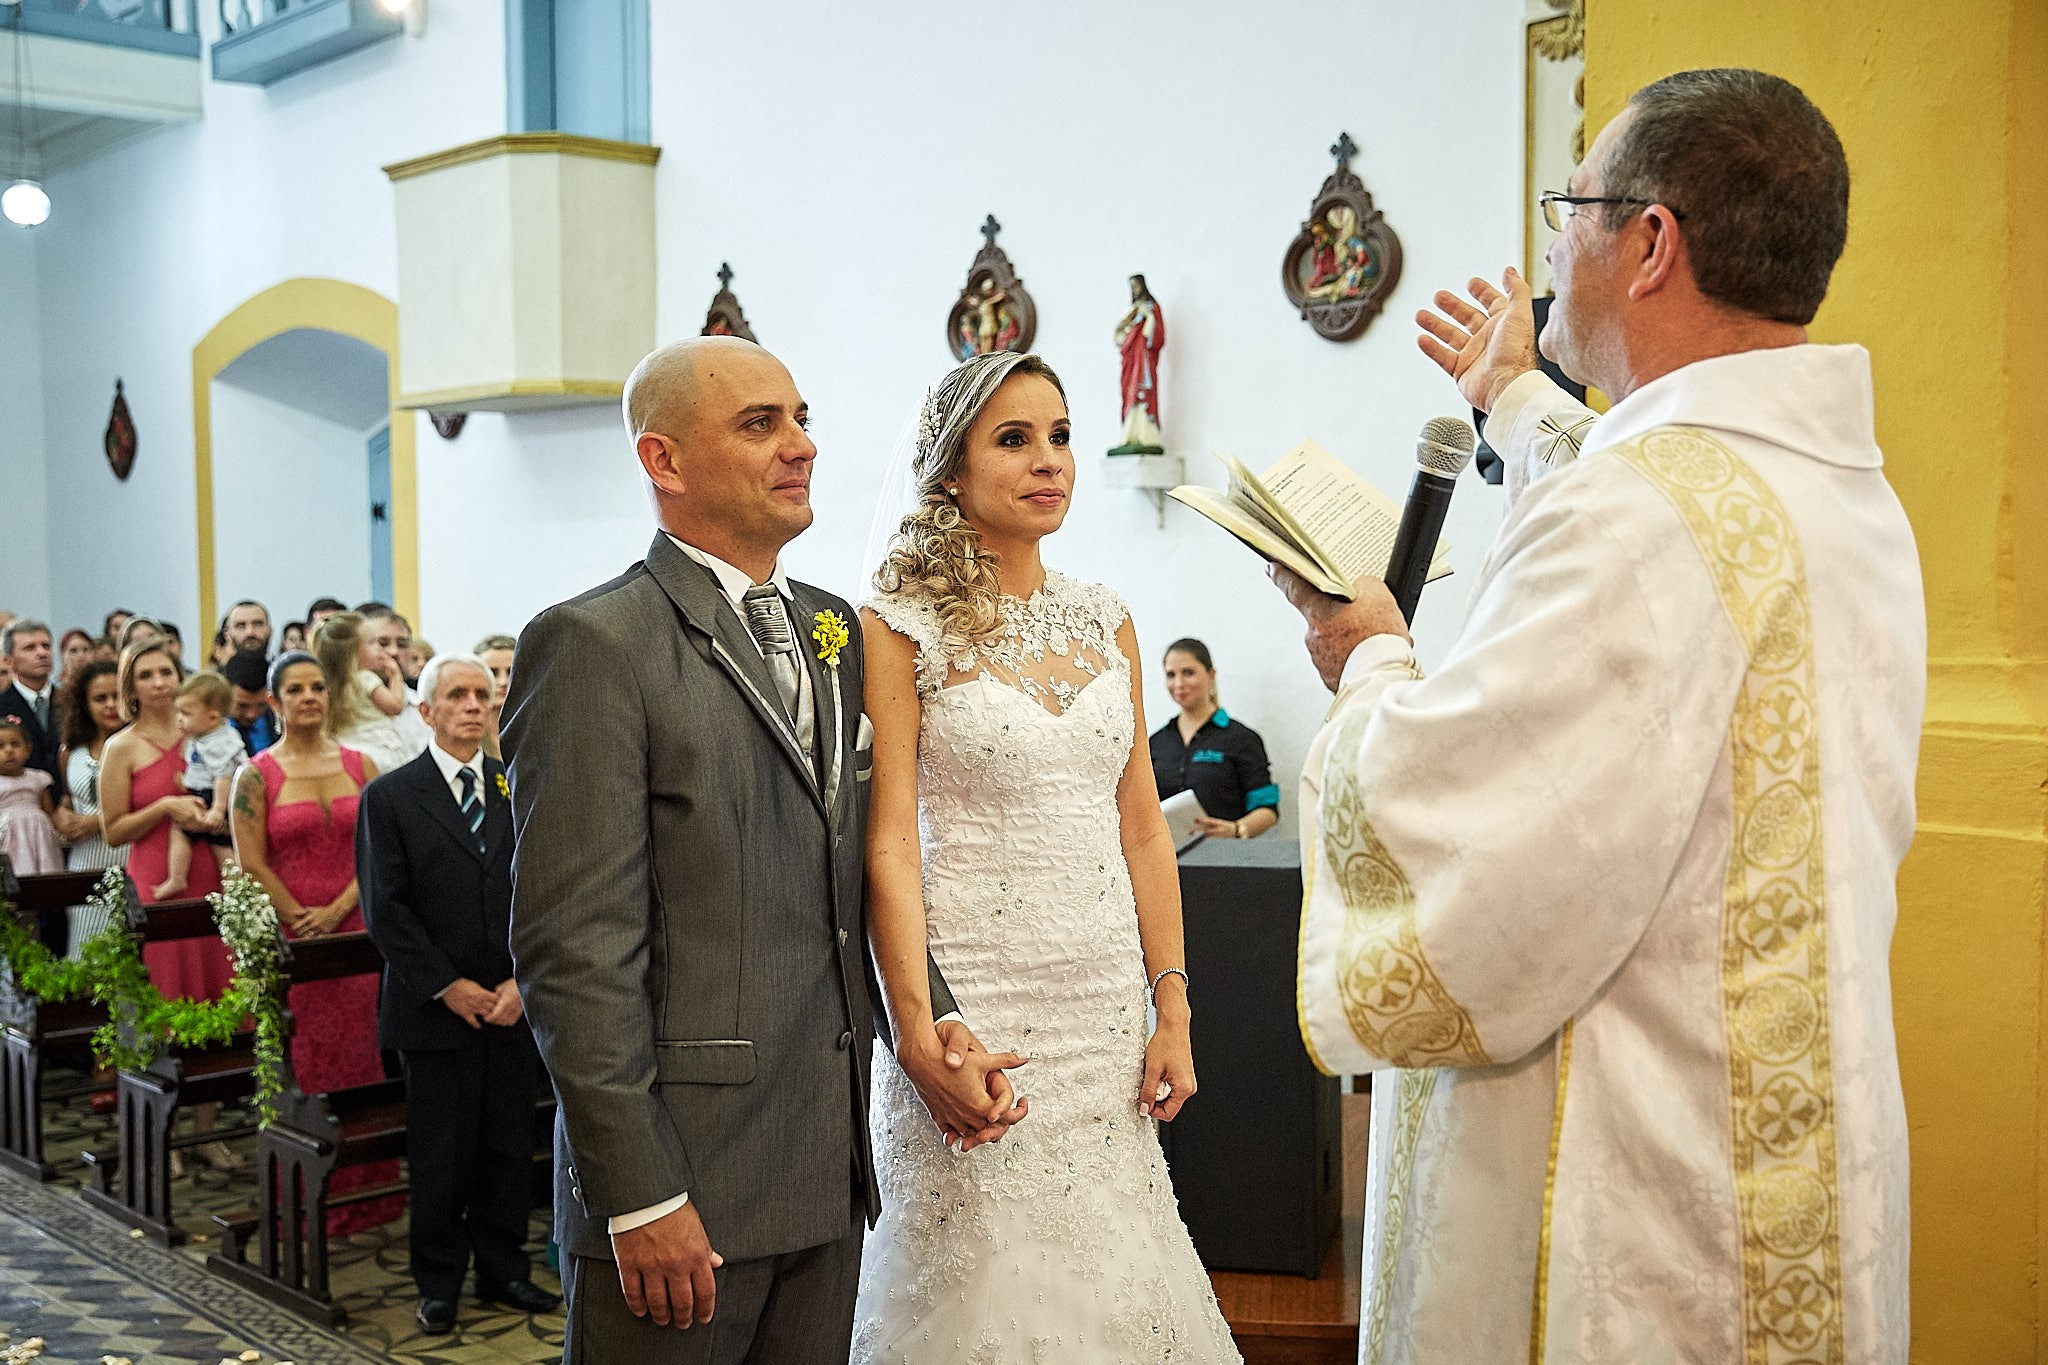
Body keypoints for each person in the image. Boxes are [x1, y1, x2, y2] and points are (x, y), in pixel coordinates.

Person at [1274, 69, 1920, 1362]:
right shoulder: (1823, 479)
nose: (1548, 243)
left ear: (1650, 241)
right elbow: (1660, 519)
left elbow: (1458, 817)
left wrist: (1367, 661)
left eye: (1565, 207)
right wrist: (1518, 395)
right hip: (1782, 1134)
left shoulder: (1644, 512)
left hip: (1639, 1197)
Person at [504, 335, 1017, 1364]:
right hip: (683, 1181)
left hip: (821, 1164)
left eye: (801, 419)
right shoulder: (597, 644)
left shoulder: (830, 629)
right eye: (759, 424)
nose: (801, 446)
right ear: (664, 460)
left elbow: (848, 881)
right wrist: (638, 1190)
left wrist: (936, 1020)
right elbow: (575, 951)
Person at [854, 350, 1236, 1360]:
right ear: (950, 472)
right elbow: (886, 843)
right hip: (977, 1007)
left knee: (1116, 1280)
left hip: (1103, 1016)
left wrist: (1173, 1007)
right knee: (984, 1292)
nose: (1048, 461)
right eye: (1013, 440)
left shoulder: (1105, 619)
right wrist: (916, 1029)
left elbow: (1144, 829)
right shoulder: (897, 626)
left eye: (1059, 436)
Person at [357, 652, 555, 1335]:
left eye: (483, 693)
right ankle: (438, 1280)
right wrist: (449, 985)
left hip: (508, 1003)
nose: (475, 704)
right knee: (441, 1152)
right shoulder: (390, 796)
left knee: (505, 1146)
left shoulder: (515, 785)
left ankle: (505, 1269)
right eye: (458, 694)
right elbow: (387, 909)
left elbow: (541, 893)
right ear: (426, 710)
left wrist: (518, 983)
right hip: (433, 1009)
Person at [229, 652, 402, 1230]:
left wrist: (340, 908)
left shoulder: (362, 765)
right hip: (291, 935)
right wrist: (301, 914)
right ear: (274, 701)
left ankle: (370, 1186)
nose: (310, 697)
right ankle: (304, 1189)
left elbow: (381, 848)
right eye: (296, 689)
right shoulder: (255, 775)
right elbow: (250, 860)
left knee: (361, 1056)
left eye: (318, 688)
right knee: (302, 1060)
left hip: (353, 928)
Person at [98, 639, 237, 1172]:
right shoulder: (122, 747)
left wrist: (217, 813)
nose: (159, 683)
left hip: (206, 875)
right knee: (158, 1008)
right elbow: (113, 832)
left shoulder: (205, 732)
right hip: (154, 878)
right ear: (131, 685)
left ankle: (205, 1130)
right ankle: (161, 1131)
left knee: (211, 1002)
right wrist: (163, 805)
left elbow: (229, 787)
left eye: (167, 672)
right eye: (146, 675)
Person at [1149, 638, 1279, 840]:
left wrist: (1236, 829)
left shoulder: (1241, 739)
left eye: (1188, 673)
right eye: (1171, 675)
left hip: (1223, 861)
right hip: (1168, 862)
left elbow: (1268, 810)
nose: (1179, 683)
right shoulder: (1156, 743)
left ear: (1211, 675)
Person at [53, 659, 128, 953]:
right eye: (100, 698)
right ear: (84, 704)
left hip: (127, 858)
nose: (111, 705)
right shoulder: (70, 749)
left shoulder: (138, 745)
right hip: (84, 863)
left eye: (117, 696)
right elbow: (68, 797)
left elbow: (148, 801)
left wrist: (95, 822)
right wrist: (62, 816)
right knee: (86, 954)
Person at [152, 672, 245, 900]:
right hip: (206, 792)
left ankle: (178, 878)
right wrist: (186, 781)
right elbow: (202, 767)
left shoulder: (220, 741)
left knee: (186, 830)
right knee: (217, 844)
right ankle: (233, 888)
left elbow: (224, 776)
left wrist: (218, 809)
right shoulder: (204, 735)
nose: (179, 719)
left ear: (213, 717)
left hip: (216, 796)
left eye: (186, 714)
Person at [312, 612, 423, 775]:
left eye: (402, 644)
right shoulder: (365, 678)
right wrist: (395, 676)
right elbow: (394, 706)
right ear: (353, 651)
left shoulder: (333, 685)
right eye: (375, 643)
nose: (385, 651)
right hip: (380, 755)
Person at [2, 619, 61, 787]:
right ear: (8, 661)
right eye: (30, 648)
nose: (42, 653)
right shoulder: (2, 705)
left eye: (46, 646)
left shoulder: (70, 702)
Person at [0, 720, 64, 875]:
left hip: (40, 835)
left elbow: (49, 812)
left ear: (28, 749)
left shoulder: (38, 778)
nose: (9, 751)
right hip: (8, 837)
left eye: (15, 744)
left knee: (46, 872)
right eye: (0, 746)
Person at [1111, 273, 1166, 453]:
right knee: (1130, 395)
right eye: (1132, 287)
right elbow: (1121, 337)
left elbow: (1156, 337)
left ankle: (1146, 435)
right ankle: (1130, 434)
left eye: (1136, 286)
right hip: (1131, 361)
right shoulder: (1133, 310)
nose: (1134, 290)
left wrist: (1148, 317)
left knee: (1144, 394)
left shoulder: (1152, 308)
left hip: (1144, 362)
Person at [220, 649, 279, 755]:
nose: (251, 714)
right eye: (242, 706)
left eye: (262, 705)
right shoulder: (206, 728)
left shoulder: (281, 722)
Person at [473, 634, 515, 760]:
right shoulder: (465, 734)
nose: (503, 681)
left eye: (511, 672)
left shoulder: (538, 733)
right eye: (492, 672)